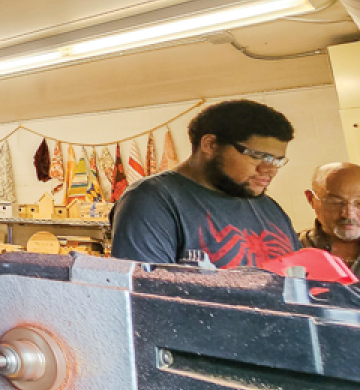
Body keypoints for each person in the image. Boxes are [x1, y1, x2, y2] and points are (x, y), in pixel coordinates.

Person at [111, 99, 299, 269]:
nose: (269, 170)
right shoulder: (151, 201)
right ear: (210, 145)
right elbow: (145, 296)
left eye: (277, 161)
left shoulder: (269, 207)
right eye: (257, 156)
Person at [299, 162, 360, 277]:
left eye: (359, 203)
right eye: (335, 203)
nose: (348, 215)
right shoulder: (293, 247)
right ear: (311, 199)